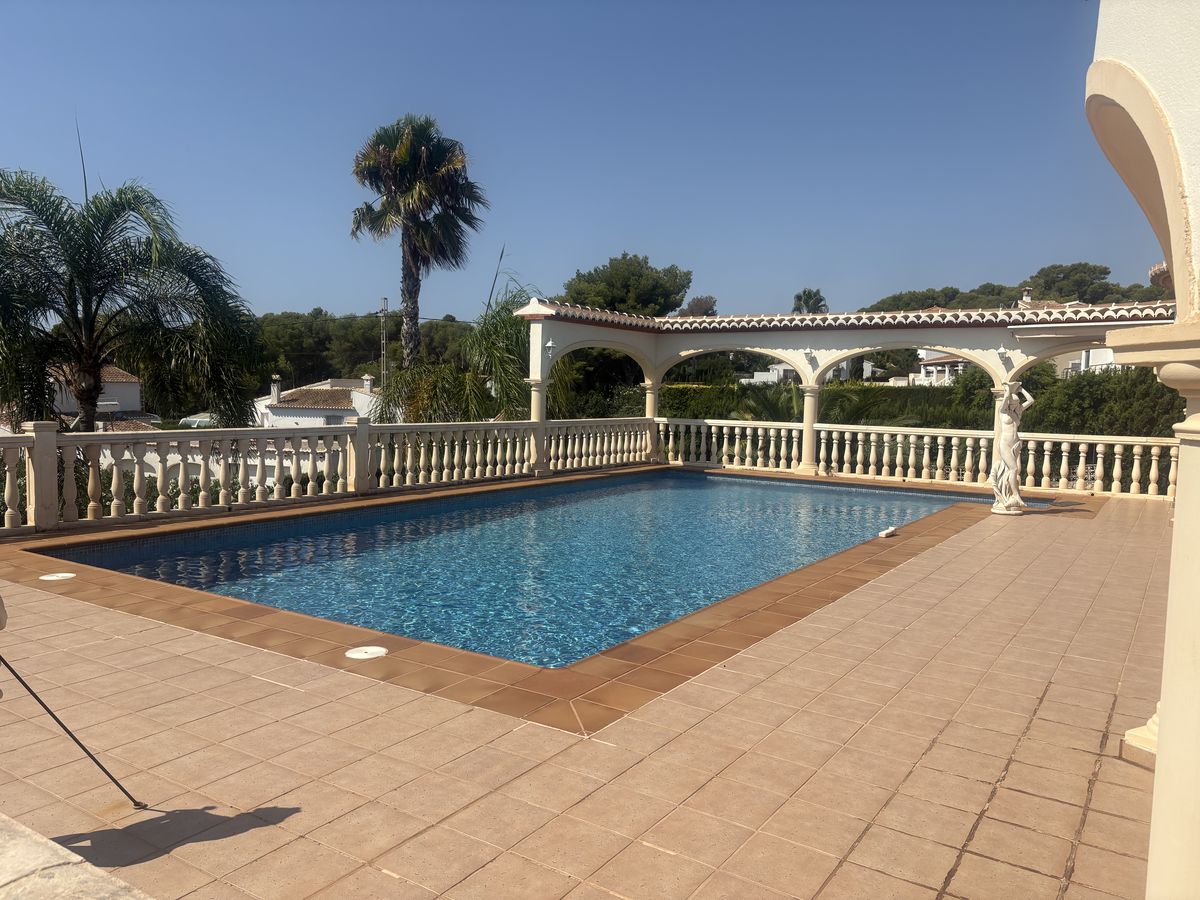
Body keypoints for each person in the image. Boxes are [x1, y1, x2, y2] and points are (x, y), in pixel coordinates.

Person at [992, 381, 1035, 514]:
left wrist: (1021, 390)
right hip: (1005, 444)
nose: (1014, 406)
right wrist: (1008, 390)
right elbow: (1005, 399)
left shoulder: (1017, 412)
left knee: (1010, 471)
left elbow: (1031, 400)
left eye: (1016, 404)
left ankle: (1010, 494)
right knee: (1013, 468)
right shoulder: (1002, 412)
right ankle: (1015, 495)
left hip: (1015, 444)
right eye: (1012, 403)